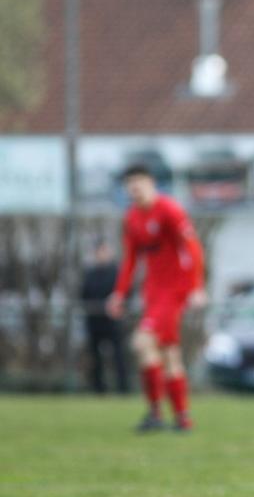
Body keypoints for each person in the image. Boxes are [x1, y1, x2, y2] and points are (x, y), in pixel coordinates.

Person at [106, 165, 206, 432]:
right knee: (169, 354)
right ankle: (182, 418)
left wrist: (197, 286)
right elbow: (130, 260)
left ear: (151, 183)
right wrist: (119, 293)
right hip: (153, 292)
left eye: (138, 182)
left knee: (141, 343)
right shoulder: (133, 218)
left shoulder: (169, 210)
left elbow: (192, 247)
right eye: (130, 184)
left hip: (173, 292)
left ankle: (156, 413)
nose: (134, 188)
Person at [80, 239, 129, 394]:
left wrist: (117, 306)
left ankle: (123, 388)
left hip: (113, 321)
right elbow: (84, 294)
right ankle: (98, 388)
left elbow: (125, 292)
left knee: (119, 356)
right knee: (95, 357)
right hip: (95, 321)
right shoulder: (91, 274)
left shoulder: (116, 273)